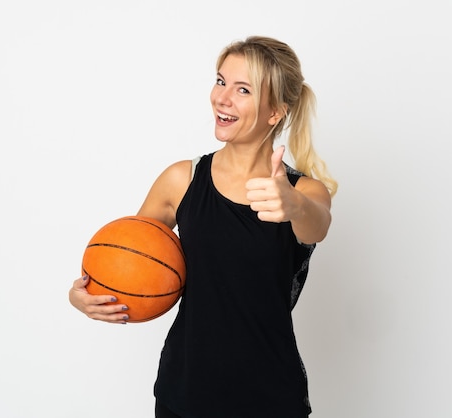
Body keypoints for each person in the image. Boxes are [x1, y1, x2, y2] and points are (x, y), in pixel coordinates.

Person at [69, 35, 338, 417]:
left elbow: (317, 226)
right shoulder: (182, 179)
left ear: (275, 111)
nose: (222, 98)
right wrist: (84, 294)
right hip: (185, 389)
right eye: (220, 81)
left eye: (243, 89)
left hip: (270, 395)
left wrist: (293, 205)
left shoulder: (304, 192)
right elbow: (128, 259)